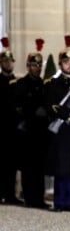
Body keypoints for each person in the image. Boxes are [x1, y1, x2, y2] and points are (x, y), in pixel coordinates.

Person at [44, 35, 70, 212]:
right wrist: (68, 112)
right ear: (61, 64)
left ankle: (69, 201)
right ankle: (60, 202)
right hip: (63, 129)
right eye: (66, 62)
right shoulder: (54, 83)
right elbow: (50, 106)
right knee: (62, 166)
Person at [12, 39, 51, 209]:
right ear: (28, 66)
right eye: (34, 65)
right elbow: (16, 106)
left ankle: (39, 198)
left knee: (40, 167)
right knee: (28, 167)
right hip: (28, 132)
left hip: (41, 132)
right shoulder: (21, 84)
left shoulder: (44, 85)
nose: (38, 67)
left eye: (40, 64)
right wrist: (32, 111)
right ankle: (29, 197)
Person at [0, 36, 23, 205]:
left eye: (10, 61)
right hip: (1, 127)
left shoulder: (17, 82)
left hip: (14, 128)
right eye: (5, 61)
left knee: (12, 163)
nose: (8, 64)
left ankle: (10, 194)